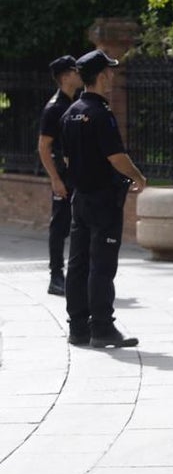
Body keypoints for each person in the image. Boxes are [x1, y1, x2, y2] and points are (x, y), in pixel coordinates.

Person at [60, 50, 147, 348]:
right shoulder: (101, 114)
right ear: (100, 76)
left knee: (78, 263)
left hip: (80, 198)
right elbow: (116, 157)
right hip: (103, 200)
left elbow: (68, 159)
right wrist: (138, 176)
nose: (112, 76)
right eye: (108, 72)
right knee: (102, 266)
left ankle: (78, 328)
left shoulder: (70, 113)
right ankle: (102, 328)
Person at [37, 55, 82, 296]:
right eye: (76, 71)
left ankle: (78, 273)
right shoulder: (55, 108)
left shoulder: (75, 103)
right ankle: (56, 276)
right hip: (63, 175)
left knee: (80, 224)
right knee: (60, 225)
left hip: (76, 174)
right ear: (65, 76)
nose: (79, 74)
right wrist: (55, 179)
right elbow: (44, 146)